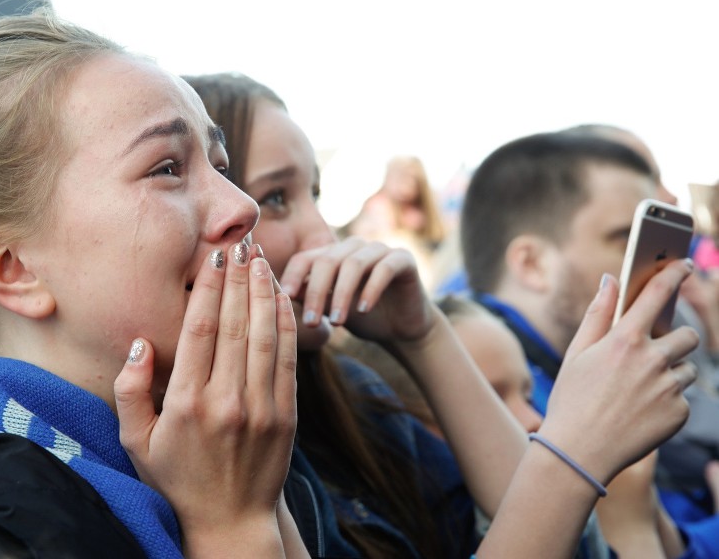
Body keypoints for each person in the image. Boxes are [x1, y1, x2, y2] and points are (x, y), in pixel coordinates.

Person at [184, 72, 699, 558]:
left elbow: (566, 542)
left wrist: (424, 336)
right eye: (275, 198)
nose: (324, 235)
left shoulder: (360, 401)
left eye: (314, 194)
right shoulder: (191, 456)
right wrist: (576, 457)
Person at [0, 13, 307, 558]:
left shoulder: (239, 451)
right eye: (167, 167)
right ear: (14, 268)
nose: (242, 206)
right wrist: (231, 527)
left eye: (221, 166)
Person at [460, 130, 715, 557]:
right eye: (628, 239)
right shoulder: (496, 388)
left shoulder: (583, 370)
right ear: (532, 263)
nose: (664, 268)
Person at [343, 155, 447, 291]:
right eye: (402, 177)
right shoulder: (378, 207)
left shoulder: (424, 214)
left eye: (413, 179)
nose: (408, 183)